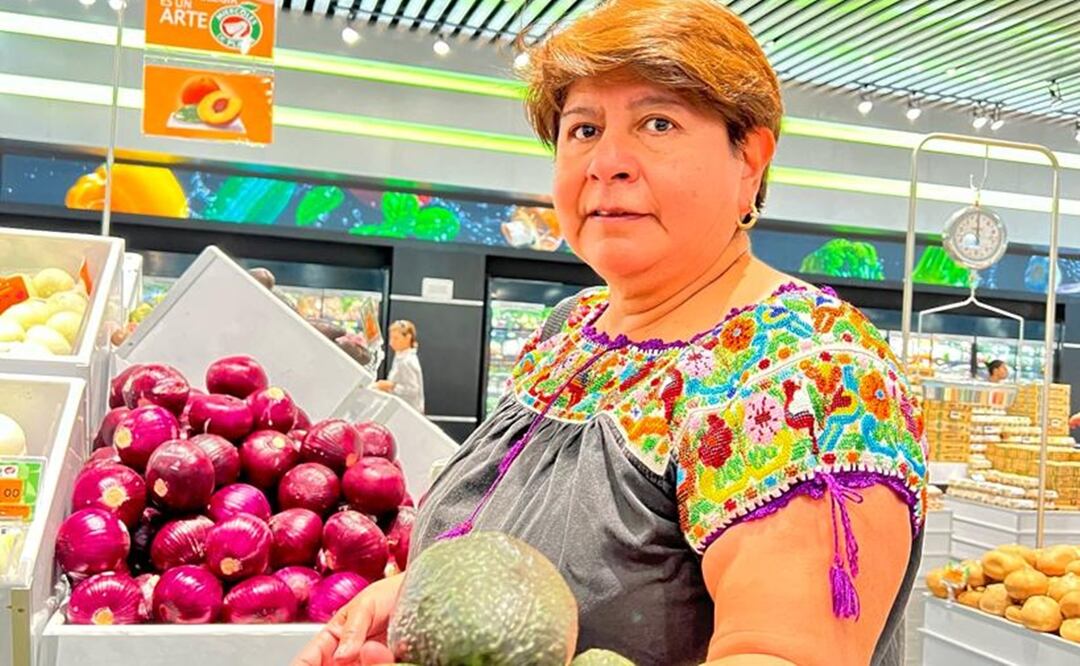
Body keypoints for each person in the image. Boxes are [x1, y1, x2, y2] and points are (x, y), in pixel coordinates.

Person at [293, 1, 926, 664]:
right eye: (584, 129)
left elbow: (780, 653)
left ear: (750, 159)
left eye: (658, 123)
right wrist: (416, 602)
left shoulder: (809, 374)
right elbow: (523, 558)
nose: (607, 162)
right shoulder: (569, 332)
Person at [374, 320, 425, 413]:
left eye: (396, 338)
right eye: (391, 338)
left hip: (408, 412)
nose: (391, 343)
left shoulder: (407, 361)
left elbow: (413, 390)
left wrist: (391, 386)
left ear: (408, 337)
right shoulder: (400, 356)